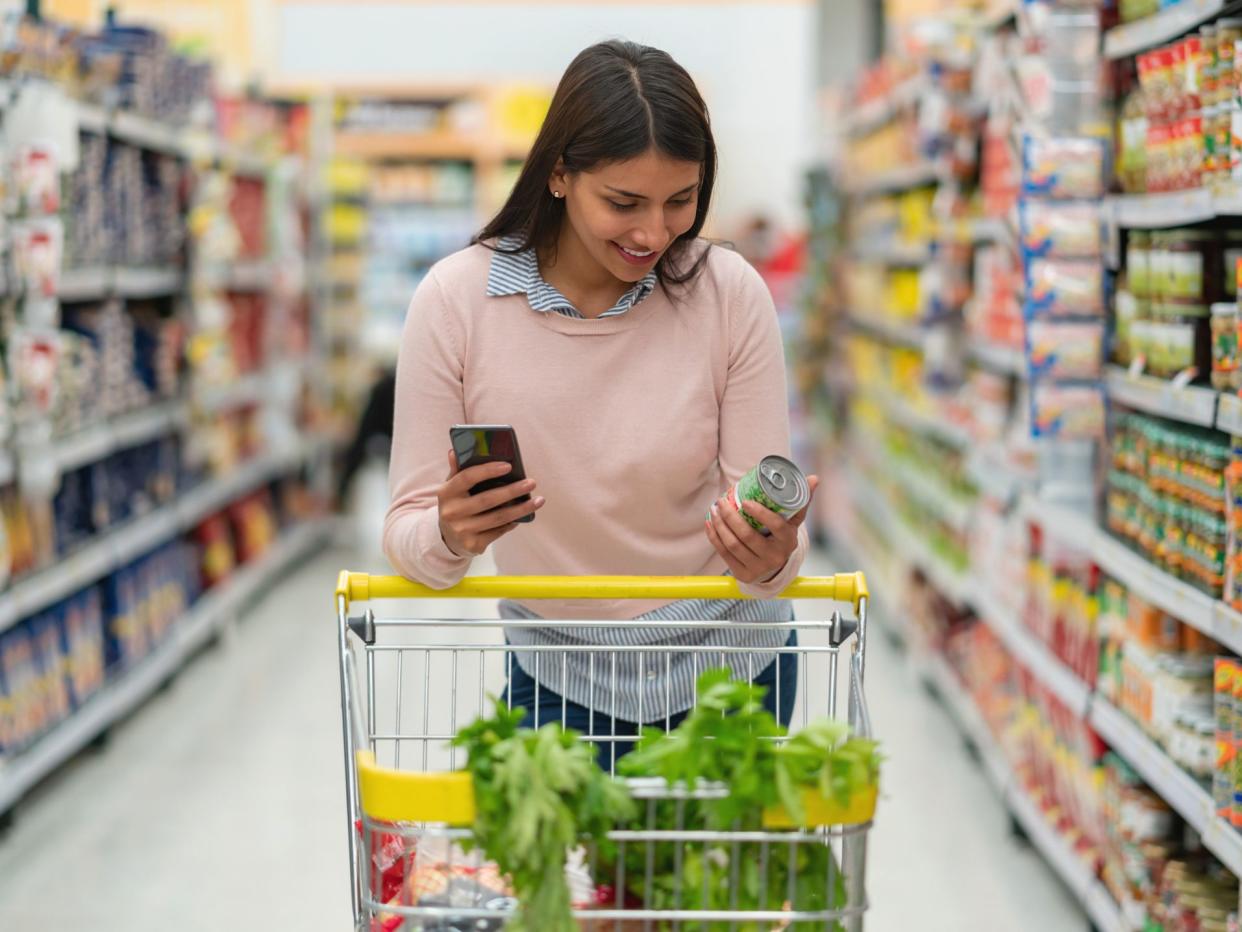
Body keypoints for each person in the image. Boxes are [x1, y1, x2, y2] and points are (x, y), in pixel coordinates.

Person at [383, 40, 817, 767]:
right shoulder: (455, 303)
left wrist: (771, 555)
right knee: (582, 885)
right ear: (558, 173)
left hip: (732, 672)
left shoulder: (729, 294)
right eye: (624, 202)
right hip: (558, 673)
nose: (654, 233)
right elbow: (407, 535)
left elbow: (773, 550)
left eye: (680, 201)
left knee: (707, 884)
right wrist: (452, 533)